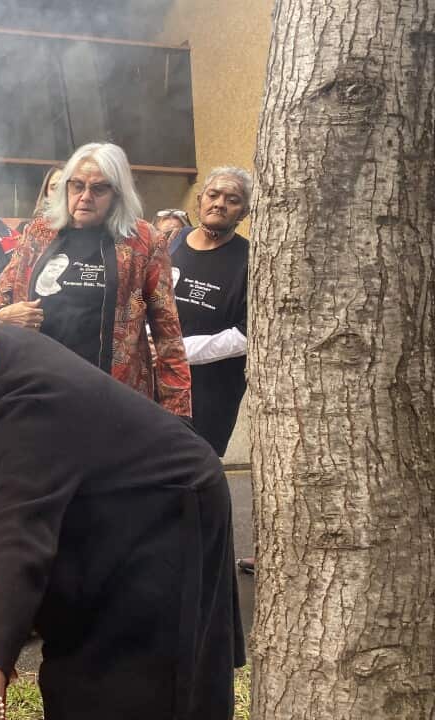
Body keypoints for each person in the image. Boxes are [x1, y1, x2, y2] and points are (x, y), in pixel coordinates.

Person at [0, 285, 245, 720]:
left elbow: (21, 539)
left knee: (133, 684)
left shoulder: (24, 401)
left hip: (163, 513)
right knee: (74, 666)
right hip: (98, 511)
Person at [0, 142, 192, 417]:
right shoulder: (39, 232)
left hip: (113, 399)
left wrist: (178, 415)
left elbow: (168, 334)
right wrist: (1, 314)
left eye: (98, 189)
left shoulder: (144, 241)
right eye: (77, 186)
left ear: (117, 193)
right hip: (37, 390)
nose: (85, 196)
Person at [173, 168, 254, 574]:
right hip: (157, 383)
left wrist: (177, 351)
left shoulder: (250, 259)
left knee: (195, 475)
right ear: (200, 199)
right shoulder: (172, 244)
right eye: (214, 194)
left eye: (232, 199)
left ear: (245, 211)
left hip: (211, 391)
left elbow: (246, 334)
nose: (220, 203)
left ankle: (202, 562)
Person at [16, 165, 63, 234]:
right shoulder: (26, 229)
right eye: (54, 187)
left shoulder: (75, 233)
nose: (58, 193)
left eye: (63, 188)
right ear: (46, 192)